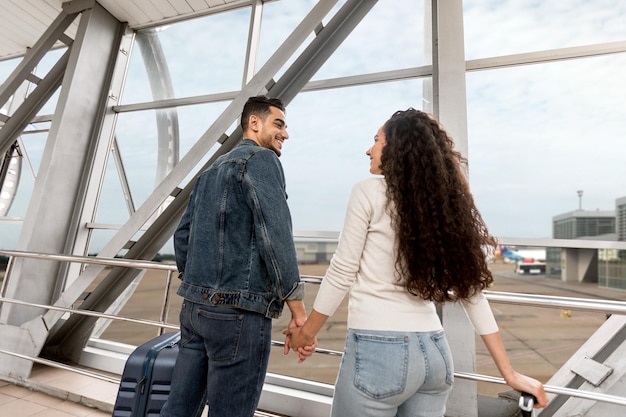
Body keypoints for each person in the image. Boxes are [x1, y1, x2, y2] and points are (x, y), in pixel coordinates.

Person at [284, 108, 549, 417]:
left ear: (397, 147)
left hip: (379, 350)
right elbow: (471, 293)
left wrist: (307, 333)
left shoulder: (367, 192)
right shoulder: (440, 209)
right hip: (435, 355)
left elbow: (343, 272)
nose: (369, 149)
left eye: (376, 140)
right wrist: (509, 373)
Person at [161, 95, 309, 417]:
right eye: (279, 124)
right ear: (254, 123)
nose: (286, 134)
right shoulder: (262, 161)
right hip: (239, 315)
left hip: (194, 310)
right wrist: (298, 310)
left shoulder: (211, 169)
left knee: (179, 409)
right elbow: (275, 236)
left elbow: (183, 235)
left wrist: (199, 284)